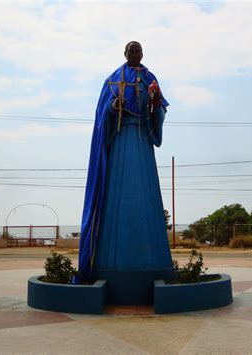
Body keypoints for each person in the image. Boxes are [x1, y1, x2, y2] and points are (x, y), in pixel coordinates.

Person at [78, 42, 173, 303]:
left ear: (143, 54)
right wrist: (112, 108)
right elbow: (102, 115)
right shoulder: (112, 80)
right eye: (131, 52)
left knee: (146, 197)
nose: (135, 55)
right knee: (117, 199)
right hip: (120, 143)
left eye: (138, 52)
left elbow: (159, 109)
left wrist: (155, 106)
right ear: (125, 54)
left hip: (142, 141)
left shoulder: (150, 78)